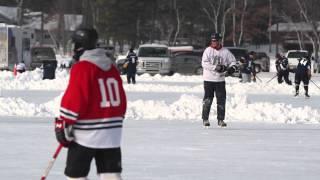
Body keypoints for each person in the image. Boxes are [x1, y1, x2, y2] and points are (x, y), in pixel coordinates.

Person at [55, 27, 127, 180]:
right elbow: (121, 100)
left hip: (86, 134)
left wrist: (64, 122)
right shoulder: (112, 67)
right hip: (112, 133)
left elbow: (74, 99)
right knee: (110, 175)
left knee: (76, 175)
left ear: (78, 45)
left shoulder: (82, 67)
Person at [201, 33, 237, 127]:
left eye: (215, 40)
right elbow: (204, 63)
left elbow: (233, 61)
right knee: (208, 100)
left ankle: (220, 120)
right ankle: (205, 119)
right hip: (208, 80)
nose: (213, 42)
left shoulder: (225, 51)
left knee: (221, 100)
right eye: (212, 40)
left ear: (219, 41)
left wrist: (232, 68)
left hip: (220, 80)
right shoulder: (207, 51)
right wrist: (216, 67)